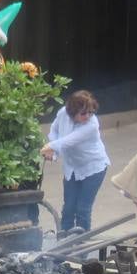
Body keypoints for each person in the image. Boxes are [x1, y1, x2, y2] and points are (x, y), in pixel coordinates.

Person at [41, 89, 111, 234]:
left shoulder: (92, 125)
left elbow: (69, 141)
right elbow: (54, 130)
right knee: (68, 208)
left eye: (90, 112)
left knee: (82, 209)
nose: (88, 116)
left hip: (93, 168)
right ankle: (64, 242)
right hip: (72, 168)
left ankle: (82, 247)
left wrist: (51, 147)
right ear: (72, 112)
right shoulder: (63, 113)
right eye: (83, 113)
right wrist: (53, 152)